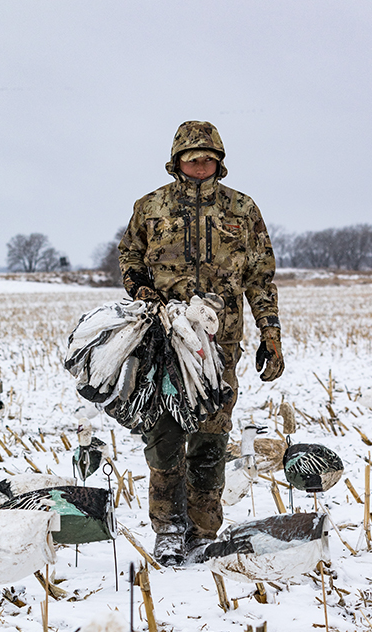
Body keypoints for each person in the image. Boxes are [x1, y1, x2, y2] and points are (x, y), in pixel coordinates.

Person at [118, 120, 283, 566]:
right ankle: (169, 529)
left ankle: (203, 530)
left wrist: (270, 333)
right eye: (192, 157)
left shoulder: (242, 210)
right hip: (165, 340)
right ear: (177, 162)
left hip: (220, 344)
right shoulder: (150, 207)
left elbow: (260, 277)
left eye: (208, 157)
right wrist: (141, 290)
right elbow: (129, 254)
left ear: (219, 161)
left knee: (211, 437)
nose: (200, 164)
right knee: (164, 434)